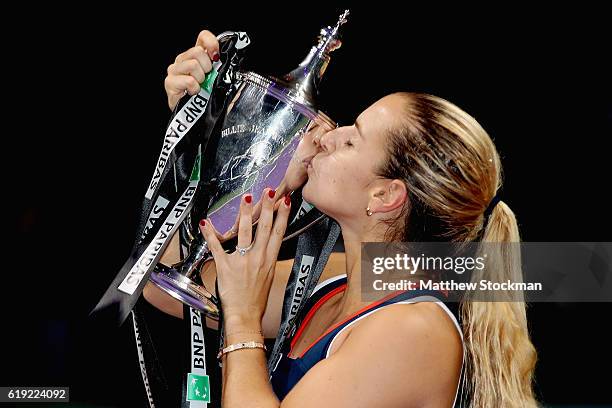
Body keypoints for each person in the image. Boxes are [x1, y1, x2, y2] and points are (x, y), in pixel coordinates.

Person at [144, 30, 538, 407]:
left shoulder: (413, 331)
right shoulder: (334, 280)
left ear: (385, 195)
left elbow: (235, 312)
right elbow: (164, 285)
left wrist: (244, 320)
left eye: (351, 139)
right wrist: (200, 137)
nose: (327, 135)